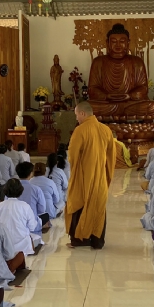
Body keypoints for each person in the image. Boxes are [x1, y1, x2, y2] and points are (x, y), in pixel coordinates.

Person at [66, 102, 115, 249]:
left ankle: (80, 240)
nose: (77, 119)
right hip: (100, 178)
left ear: (82, 113)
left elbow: (72, 156)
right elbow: (111, 157)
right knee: (98, 207)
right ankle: (97, 241)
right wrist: (106, 174)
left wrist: (76, 172)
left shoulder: (80, 130)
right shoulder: (106, 130)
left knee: (78, 204)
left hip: (83, 178)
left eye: (76, 115)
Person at [0, 178, 41, 256]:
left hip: (3, 245)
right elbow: (32, 227)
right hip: (23, 246)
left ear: (5, 190)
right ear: (21, 191)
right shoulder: (25, 206)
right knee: (38, 238)